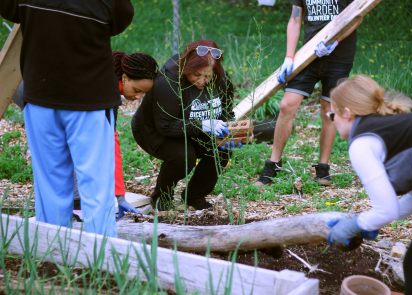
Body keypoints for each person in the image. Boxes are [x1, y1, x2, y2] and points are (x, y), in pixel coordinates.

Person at [0, 1, 134, 237]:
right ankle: (99, 260)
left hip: (42, 97)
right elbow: (121, 19)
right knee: (96, 186)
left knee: (51, 185)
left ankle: (53, 255)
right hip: (89, 101)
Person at [326, 75, 412, 295]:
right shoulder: (392, 129)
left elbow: (386, 209)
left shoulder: (362, 142)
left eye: (332, 114)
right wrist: (367, 221)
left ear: (347, 113)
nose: (332, 120)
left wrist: (356, 224)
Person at [256, 0, 361, 186]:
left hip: (339, 58)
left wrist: (335, 41)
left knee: (328, 110)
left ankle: (323, 168)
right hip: (308, 55)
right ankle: (273, 164)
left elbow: (357, 17)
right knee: (287, 105)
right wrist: (289, 57)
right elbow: (295, 20)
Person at [132, 40, 236, 210]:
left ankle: (194, 196)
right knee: (184, 156)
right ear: (187, 67)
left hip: (194, 129)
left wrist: (229, 131)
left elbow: (226, 111)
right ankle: (161, 197)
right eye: (196, 75)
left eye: (207, 76)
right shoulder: (168, 82)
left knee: (222, 150)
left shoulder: (220, 79)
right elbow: (165, 126)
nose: (202, 81)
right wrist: (203, 125)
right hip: (154, 131)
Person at [73, 51, 159, 220]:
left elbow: (110, 142)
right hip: (38, 95)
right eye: (137, 90)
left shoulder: (109, 87)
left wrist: (119, 195)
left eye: (143, 94)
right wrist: (119, 196)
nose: (138, 97)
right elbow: (108, 144)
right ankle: (76, 205)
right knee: (82, 148)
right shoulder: (104, 91)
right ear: (125, 78)